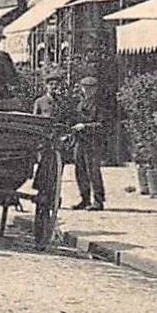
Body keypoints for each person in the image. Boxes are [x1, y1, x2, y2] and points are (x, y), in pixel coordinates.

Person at [71, 75, 106, 211]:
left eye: (90, 88)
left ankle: (98, 200)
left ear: (95, 89)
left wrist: (85, 127)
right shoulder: (80, 103)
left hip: (93, 141)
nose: (87, 90)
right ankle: (84, 199)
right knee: (80, 171)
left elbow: (102, 125)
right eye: (85, 88)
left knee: (93, 171)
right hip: (80, 140)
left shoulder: (99, 105)